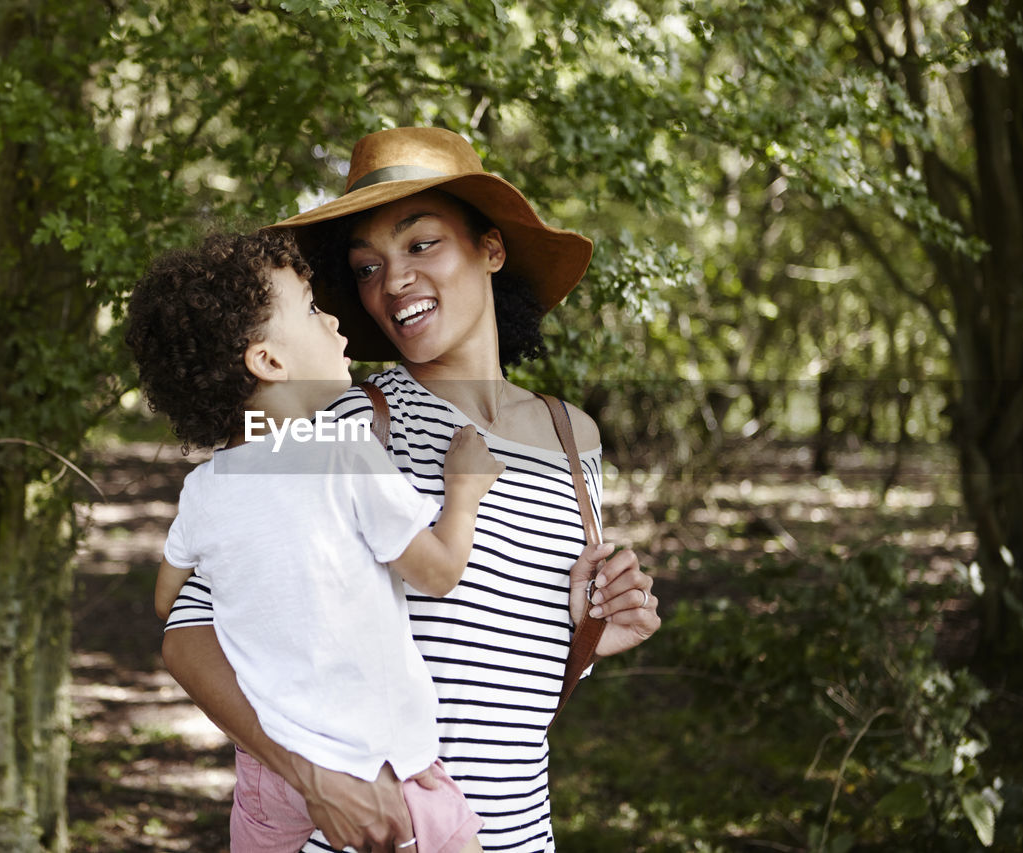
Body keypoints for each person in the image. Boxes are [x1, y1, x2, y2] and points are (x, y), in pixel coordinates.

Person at [162, 127, 662, 853]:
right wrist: (311, 779)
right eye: (367, 267)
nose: (392, 283)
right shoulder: (339, 422)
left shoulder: (571, 436)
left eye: (421, 244)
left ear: (491, 249)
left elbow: (492, 667)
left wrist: (586, 635)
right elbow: (187, 625)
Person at [126, 229, 503, 853]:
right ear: (269, 362)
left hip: (265, 780)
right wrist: (462, 493)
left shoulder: (203, 488)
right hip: (375, 765)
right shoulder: (343, 453)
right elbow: (436, 573)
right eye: (309, 308)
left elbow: (168, 602)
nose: (332, 319)